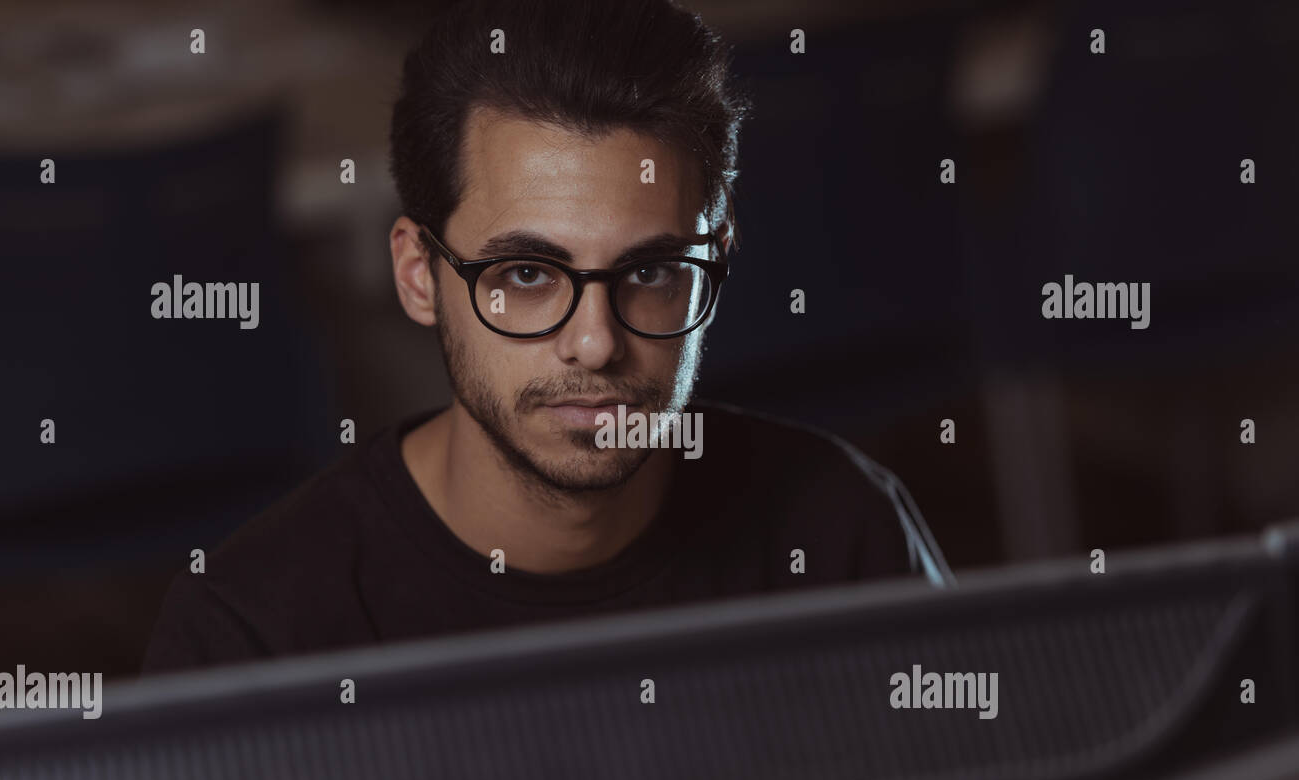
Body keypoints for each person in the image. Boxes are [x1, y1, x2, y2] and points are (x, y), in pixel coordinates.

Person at [143, 0, 952, 674]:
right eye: (528, 275)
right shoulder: (254, 634)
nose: (595, 343)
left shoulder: (846, 535)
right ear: (420, 274)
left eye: (651, 271)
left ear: (720, 258)